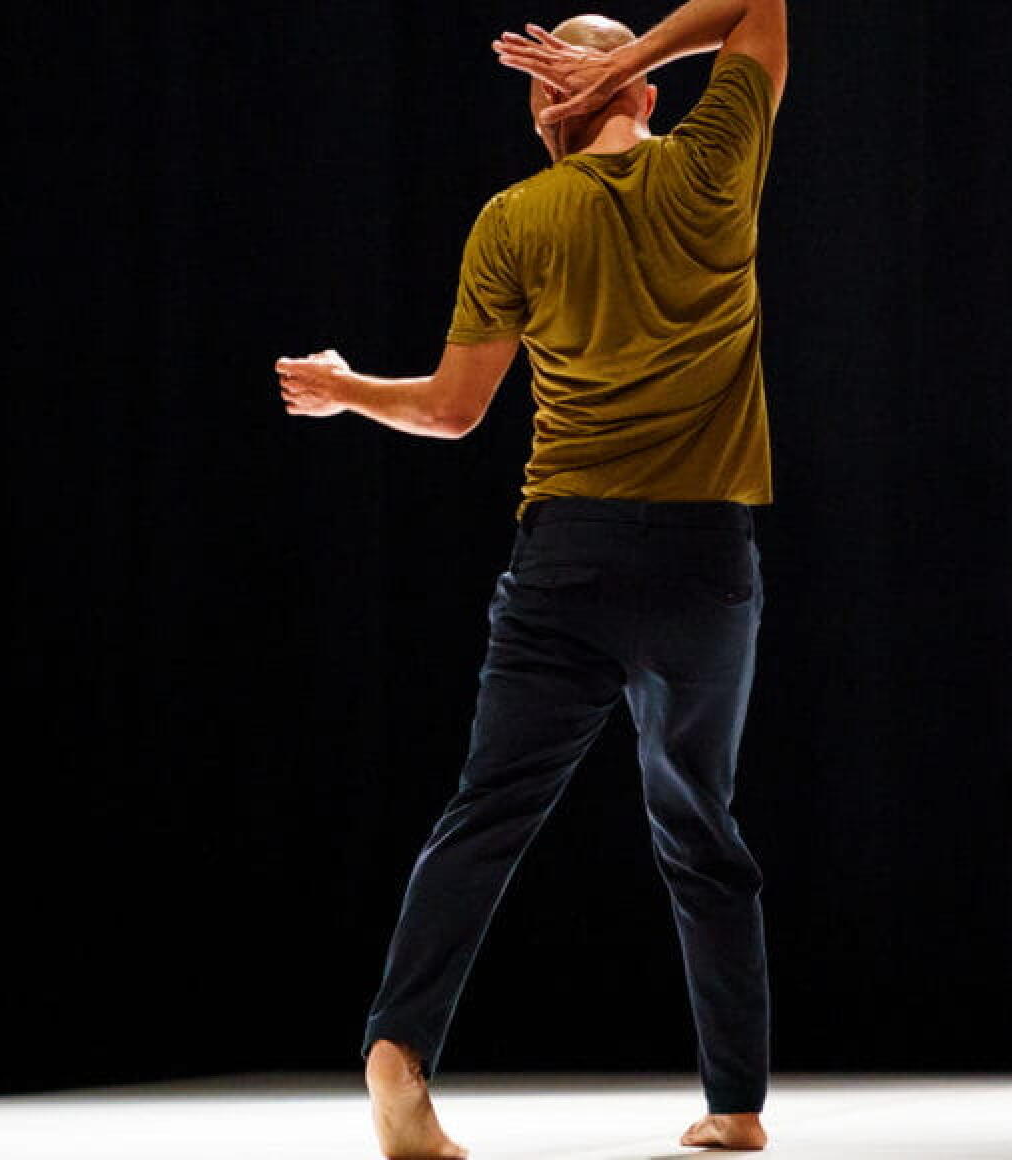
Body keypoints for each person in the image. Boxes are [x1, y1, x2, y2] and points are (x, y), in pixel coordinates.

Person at [276, 0, 787, 1153]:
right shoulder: (711, 163)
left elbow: (452, 411)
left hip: (566, 557)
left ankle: (399, 1049)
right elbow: (758, 8)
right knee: (698, 819)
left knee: (487, 810)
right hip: (703, 559)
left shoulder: (513, 218)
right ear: (645, 94)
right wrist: (631, 54)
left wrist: (347, 388)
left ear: (546, 113)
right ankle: (735, 1100)